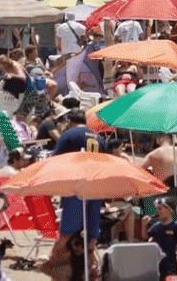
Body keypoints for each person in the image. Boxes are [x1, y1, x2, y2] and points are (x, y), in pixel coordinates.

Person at [39, 109, 106, 281]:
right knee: (91, 235)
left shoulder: (69, 135)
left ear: (69, 121)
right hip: (96, 186)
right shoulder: (99, 137)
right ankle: (91, 269)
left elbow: (56, 160)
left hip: (77, 186)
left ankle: (52, 262)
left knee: (67, 231)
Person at [146, 198, 177, 281]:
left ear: (169, 210)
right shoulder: (156, 226)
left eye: (160, 209)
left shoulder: (176, 226)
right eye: (157, 209)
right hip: (157, 262)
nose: (158, 211)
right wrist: (143, 225)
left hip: (170, 262)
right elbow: (145, 237)